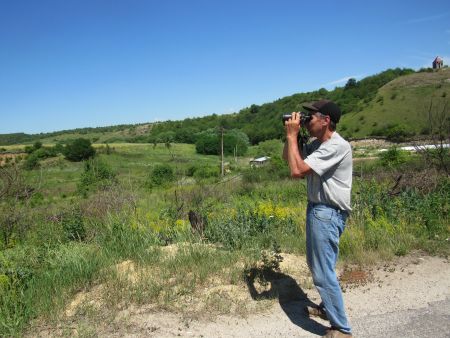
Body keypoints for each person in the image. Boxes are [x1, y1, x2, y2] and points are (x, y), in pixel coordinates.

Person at [283, 99, 353, 338]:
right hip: (319, 210)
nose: (306, 119)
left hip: (327, 212)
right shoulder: (317, 144)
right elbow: (289, 159)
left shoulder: (336, 146)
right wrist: (292, 136)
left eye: (310, 117)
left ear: (326, 121)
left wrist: (293, 136)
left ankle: (341, 329)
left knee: (322, 271)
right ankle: (329, 308)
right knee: (322, 267)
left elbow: (296, 172)